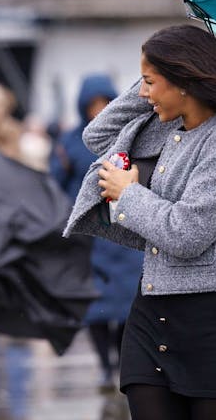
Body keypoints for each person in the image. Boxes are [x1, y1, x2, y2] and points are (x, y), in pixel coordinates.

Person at [63, 24, 216, 420]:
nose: (143, 93)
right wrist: (154, 74)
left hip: (214, 325)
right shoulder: (166, 129)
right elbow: (97, 135)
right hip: (150, 315)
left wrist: (128, 193)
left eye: (149, 82)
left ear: (183, 82)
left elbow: (187, 234)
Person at [50, 74, 143, 392]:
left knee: (127, 304)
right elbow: (56, 184)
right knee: (95, 308)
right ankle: (104, 364)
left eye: (105, 103)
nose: (98, 110)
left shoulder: (129, 135)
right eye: (93, 104)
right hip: (89, 239)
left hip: (124, 234)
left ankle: (120, 360)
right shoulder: (70, 142)